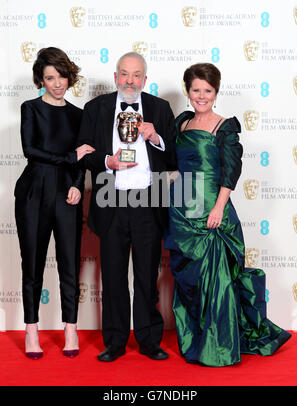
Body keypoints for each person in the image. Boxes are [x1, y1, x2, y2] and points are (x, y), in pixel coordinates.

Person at [164, 63, 291, 367]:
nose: (201, 96)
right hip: (182, 211)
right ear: (188, 91)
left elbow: (231, 171)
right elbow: (174, 161)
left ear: (216, 92)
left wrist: (219, 207)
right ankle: (195, 337)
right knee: (189, 279)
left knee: (217, 281)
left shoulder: (225, 127)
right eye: (196, 90)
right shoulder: (181, 123)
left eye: (207, 91)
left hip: (212, 213)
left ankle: (219, 347)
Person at [77, 51, 177, 362]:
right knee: (114, 275)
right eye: (124, 74)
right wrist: (106, 160)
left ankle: (149, 340)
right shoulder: (95, 108)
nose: (129, 80)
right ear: (116, 77)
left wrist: (156, 137)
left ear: (145, 80)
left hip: (148, 200)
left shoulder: (160, 108)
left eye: (136, 75)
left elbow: (174, 156)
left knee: (146, 276)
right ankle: (116, 341)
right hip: (111, 199)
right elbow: (83, 152)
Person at [14, 47, 95, 359]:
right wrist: (69, 158)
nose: (57, 83)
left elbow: (83, 156)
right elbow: (30, 150)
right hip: (33, 192)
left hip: (66, 195)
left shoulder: (78, 115)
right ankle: (31, 330)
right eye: (50, 78)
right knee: (32, 264)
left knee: (69, 263)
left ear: (69, 76)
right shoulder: (30, 108)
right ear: (41, 80)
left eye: (61, 76)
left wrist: (77, 185)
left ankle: (70, 327)